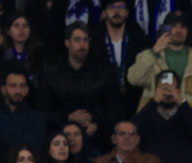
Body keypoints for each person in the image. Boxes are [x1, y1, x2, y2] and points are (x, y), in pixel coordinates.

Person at [126, 10, 192, 124]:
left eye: (183, 27)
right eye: (173, 26)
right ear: (165, 30)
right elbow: (134, 79)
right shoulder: (150, 56)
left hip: (190, 124)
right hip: (155, 122)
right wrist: (154, 52)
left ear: (188, 31)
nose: (178, 31)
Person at [36, 22, 118, 152]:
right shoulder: (51, 72)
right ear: (67, 43)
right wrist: (67, 118)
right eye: (77, 40)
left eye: (86, 40)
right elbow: (41, 112)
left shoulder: (103, 71)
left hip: (97, 139)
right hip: (60, 138)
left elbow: (114, 109)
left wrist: (97, 125)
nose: (82, 45)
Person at [92, 0, 153, 129]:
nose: (116, 11)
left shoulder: (139, 39)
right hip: (103, 108)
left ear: (128, 11)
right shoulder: (93, 39)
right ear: (104, 11)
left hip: (134, 104)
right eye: (112, 7)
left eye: (121, 7)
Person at [0, 69, 47, 153]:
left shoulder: (36, 118)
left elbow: (31, 149)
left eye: (22, 86)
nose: (18, 91)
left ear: (27, 90)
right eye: (13, 86)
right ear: (3, 89)